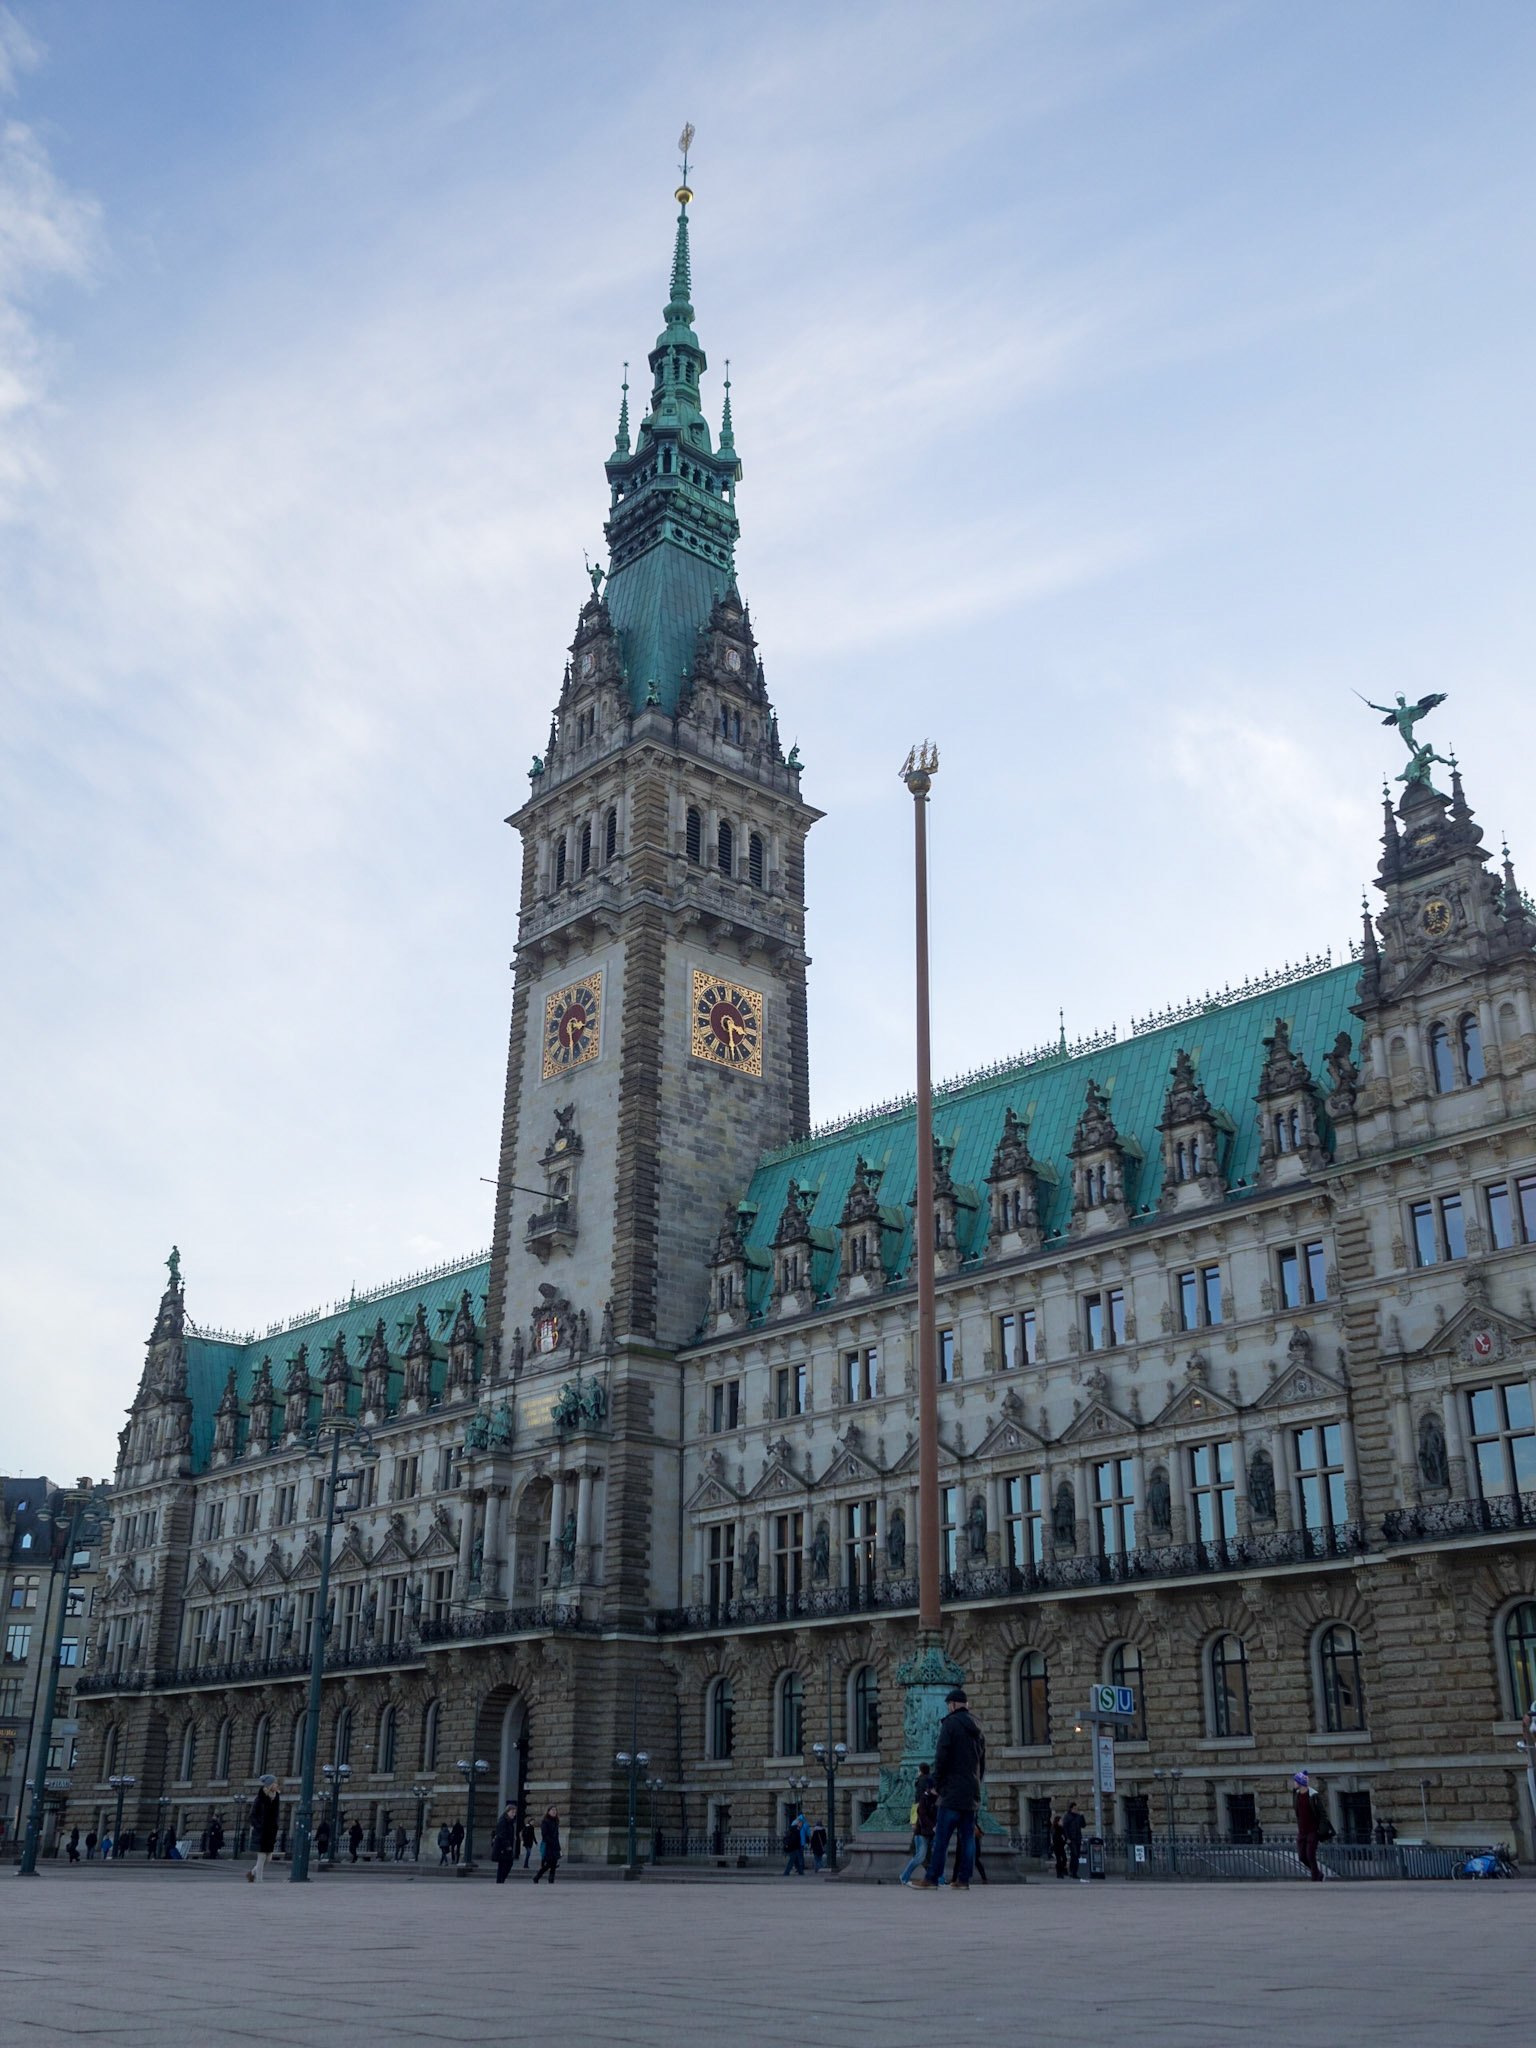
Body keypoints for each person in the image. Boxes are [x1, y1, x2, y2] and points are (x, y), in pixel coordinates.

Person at [910, 1688, 985, 1892]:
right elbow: (982, 1762)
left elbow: (941, 1756)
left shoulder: (950, 1724)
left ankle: (932, 1878)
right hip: (971, 1791)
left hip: (951, 1792)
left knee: (941, 1838)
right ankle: (963, 1880)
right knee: (967, 1839)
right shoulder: (978, 1726)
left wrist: (938, 1784)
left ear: (952, 1705)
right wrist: (977, 1785)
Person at [900, 1768, 937, 1884]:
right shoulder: (924, 1799)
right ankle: (904, 1876)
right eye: (937, 1788)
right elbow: (922, 1815)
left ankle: (940, 1879)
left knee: (936, 1857)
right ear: (931, 1788)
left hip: (932, 1832)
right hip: (921, 1832)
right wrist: (933, 1826)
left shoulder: (938, 1800)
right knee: (920, 1857)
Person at [246, 1774, 281, 1883]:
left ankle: (252, 1873)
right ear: (270, 1785)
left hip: (270, 1833)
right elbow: (252, 1815)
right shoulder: (260, 1799)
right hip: (261, 1833)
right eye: (275, 1783)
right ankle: (259, 1880)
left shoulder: (276, 1798)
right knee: (261, 1859)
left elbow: (276, 1816)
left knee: (268, 1859)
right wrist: (259, 1826)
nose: (277, 1785)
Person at [1294, 1771, 1326, 1881]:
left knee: (1310, 1855)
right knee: (1302, 1857)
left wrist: (1320, 1830)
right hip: (1302, 1831)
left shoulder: (1313, 1795)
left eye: (1295, 1781)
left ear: (1300, 1782)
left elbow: (1322, 1813)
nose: (1294, 1783)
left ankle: (1315, 1877)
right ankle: (1318, 1873)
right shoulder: (1297, 1795)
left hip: (1313, 1830)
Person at [492, 1801, 521, 1884]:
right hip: (502, 1846)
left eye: (515, 1812)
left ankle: (501, 1880)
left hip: (506, 1845)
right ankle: (500, 1880)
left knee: (507, 1863)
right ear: (507, 1812)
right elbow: (502, 1834)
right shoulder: (503, 1821)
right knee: (503, 1864)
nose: (514, 1814)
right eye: (512, 1812)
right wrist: (508, 1845)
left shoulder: (509, 1821)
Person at [532, 1806, 561, 1882]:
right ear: (548, 1811)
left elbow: (557, 1835)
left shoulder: (556, 1821)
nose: (554, 1811)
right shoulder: (545, 1821)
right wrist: (551, 1841)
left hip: (555, 1845)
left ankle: (551, 1879)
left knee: (554, 1863)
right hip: (548, 1845)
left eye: (555, 1810)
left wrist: (558, 1846)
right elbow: (544, 1834)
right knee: (549, 1863)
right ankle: (537, 1877)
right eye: (552, 1810)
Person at [782, 1809, 809, 1876]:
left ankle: (800, 1872)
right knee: (792, 1861)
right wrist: (797, 1846)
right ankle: (786, 1872)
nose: (802, 1824)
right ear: (799, 1823)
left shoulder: (793, 1827)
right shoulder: (796, 1830)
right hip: (794, 1848)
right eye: (801, 1823)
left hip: (794, 1847)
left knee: (796, 1860)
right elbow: (795, 1839)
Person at [1063, 1801, 1084, 1881]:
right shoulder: (1067, 1817)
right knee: (1074, 1855)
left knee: (1077, 1856)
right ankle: (1072, 1872)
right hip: (1071, 1839)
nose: (1076, 1810)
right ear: (1071, 1809)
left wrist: (1082, 1817)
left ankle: (1074, 1872)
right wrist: (1067, 1838)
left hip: (1078, 1838)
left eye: (1077, 1808)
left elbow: (1083, 1825)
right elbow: (1065, 1828)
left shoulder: (1078, 1816)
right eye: (1075, 1808)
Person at [1050, 1811, 1068, 1880]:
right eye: (1061, 1821)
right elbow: (1056, 1838)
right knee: (1059, 1860)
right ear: (1057, 1822)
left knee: (1064, 1859)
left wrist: (1066, 1840)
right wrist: (1063, 1840)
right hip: (1057, 1846)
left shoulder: (1061, 1829)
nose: (1062, 1822)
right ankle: (1059, 1873)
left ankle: (1061, 1870)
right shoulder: (1055, 1829)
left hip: (1061, 1846)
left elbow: (1064, 1835)